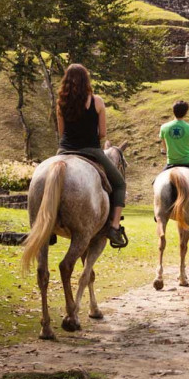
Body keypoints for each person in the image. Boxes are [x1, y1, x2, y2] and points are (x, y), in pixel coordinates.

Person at [55, 63, 128, 247]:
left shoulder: (61, 102)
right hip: (91, 150)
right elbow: (102, 134)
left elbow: (62, 132)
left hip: (64, 150)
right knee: (119, 184)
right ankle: (114, 226)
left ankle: (46, 225)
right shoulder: (97, 101)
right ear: (86, 79)